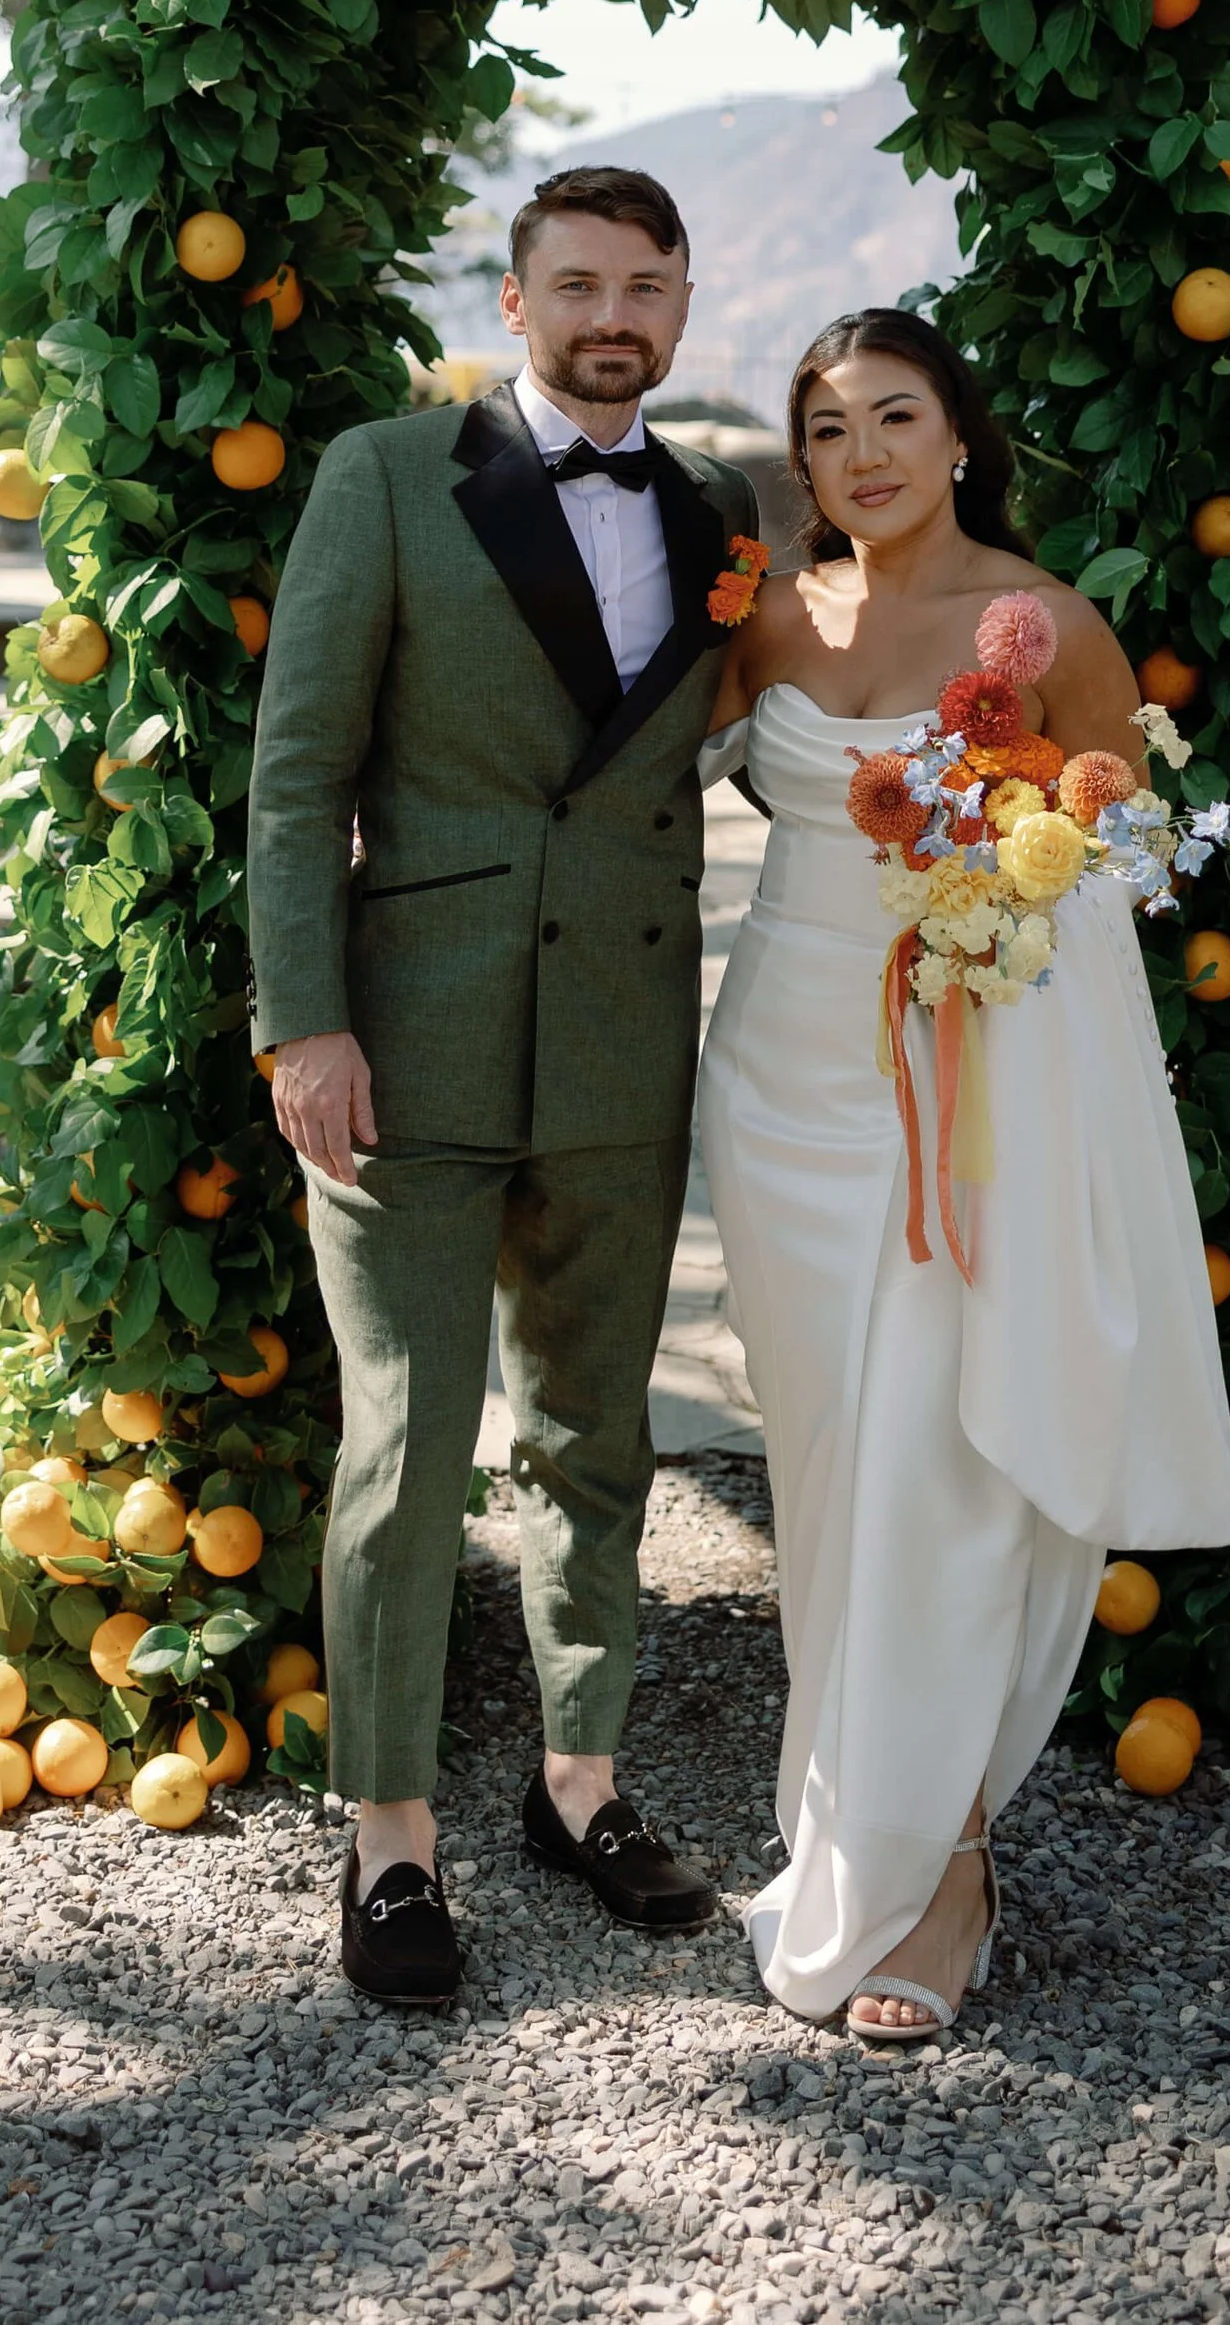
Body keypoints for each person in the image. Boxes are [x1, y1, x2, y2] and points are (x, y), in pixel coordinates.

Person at [697, 307, 1230, 2043]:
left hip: (972, 1086)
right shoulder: (769, 615)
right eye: (828, 427)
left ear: (957, 436)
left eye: (893, 416)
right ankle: (859, 1818)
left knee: (941, 1458)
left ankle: (944, 1868)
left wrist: (1016, 906)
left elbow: (1140, 840)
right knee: (832, 1468)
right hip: (780, 1078)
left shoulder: (1047, 618)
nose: (860, 453)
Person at [252, 167, 763, 2010]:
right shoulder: (384, 478)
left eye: (646, 285)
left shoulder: (722, 510)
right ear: (516, 294)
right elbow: (300, 775)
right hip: (410, 1040)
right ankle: (390, 1847)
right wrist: (303, 1021)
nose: (612, 315)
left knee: (597, 1437)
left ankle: (582, 1785)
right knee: (403, 1453)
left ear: (683, 305)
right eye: (578, 284)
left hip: (628, 1043)